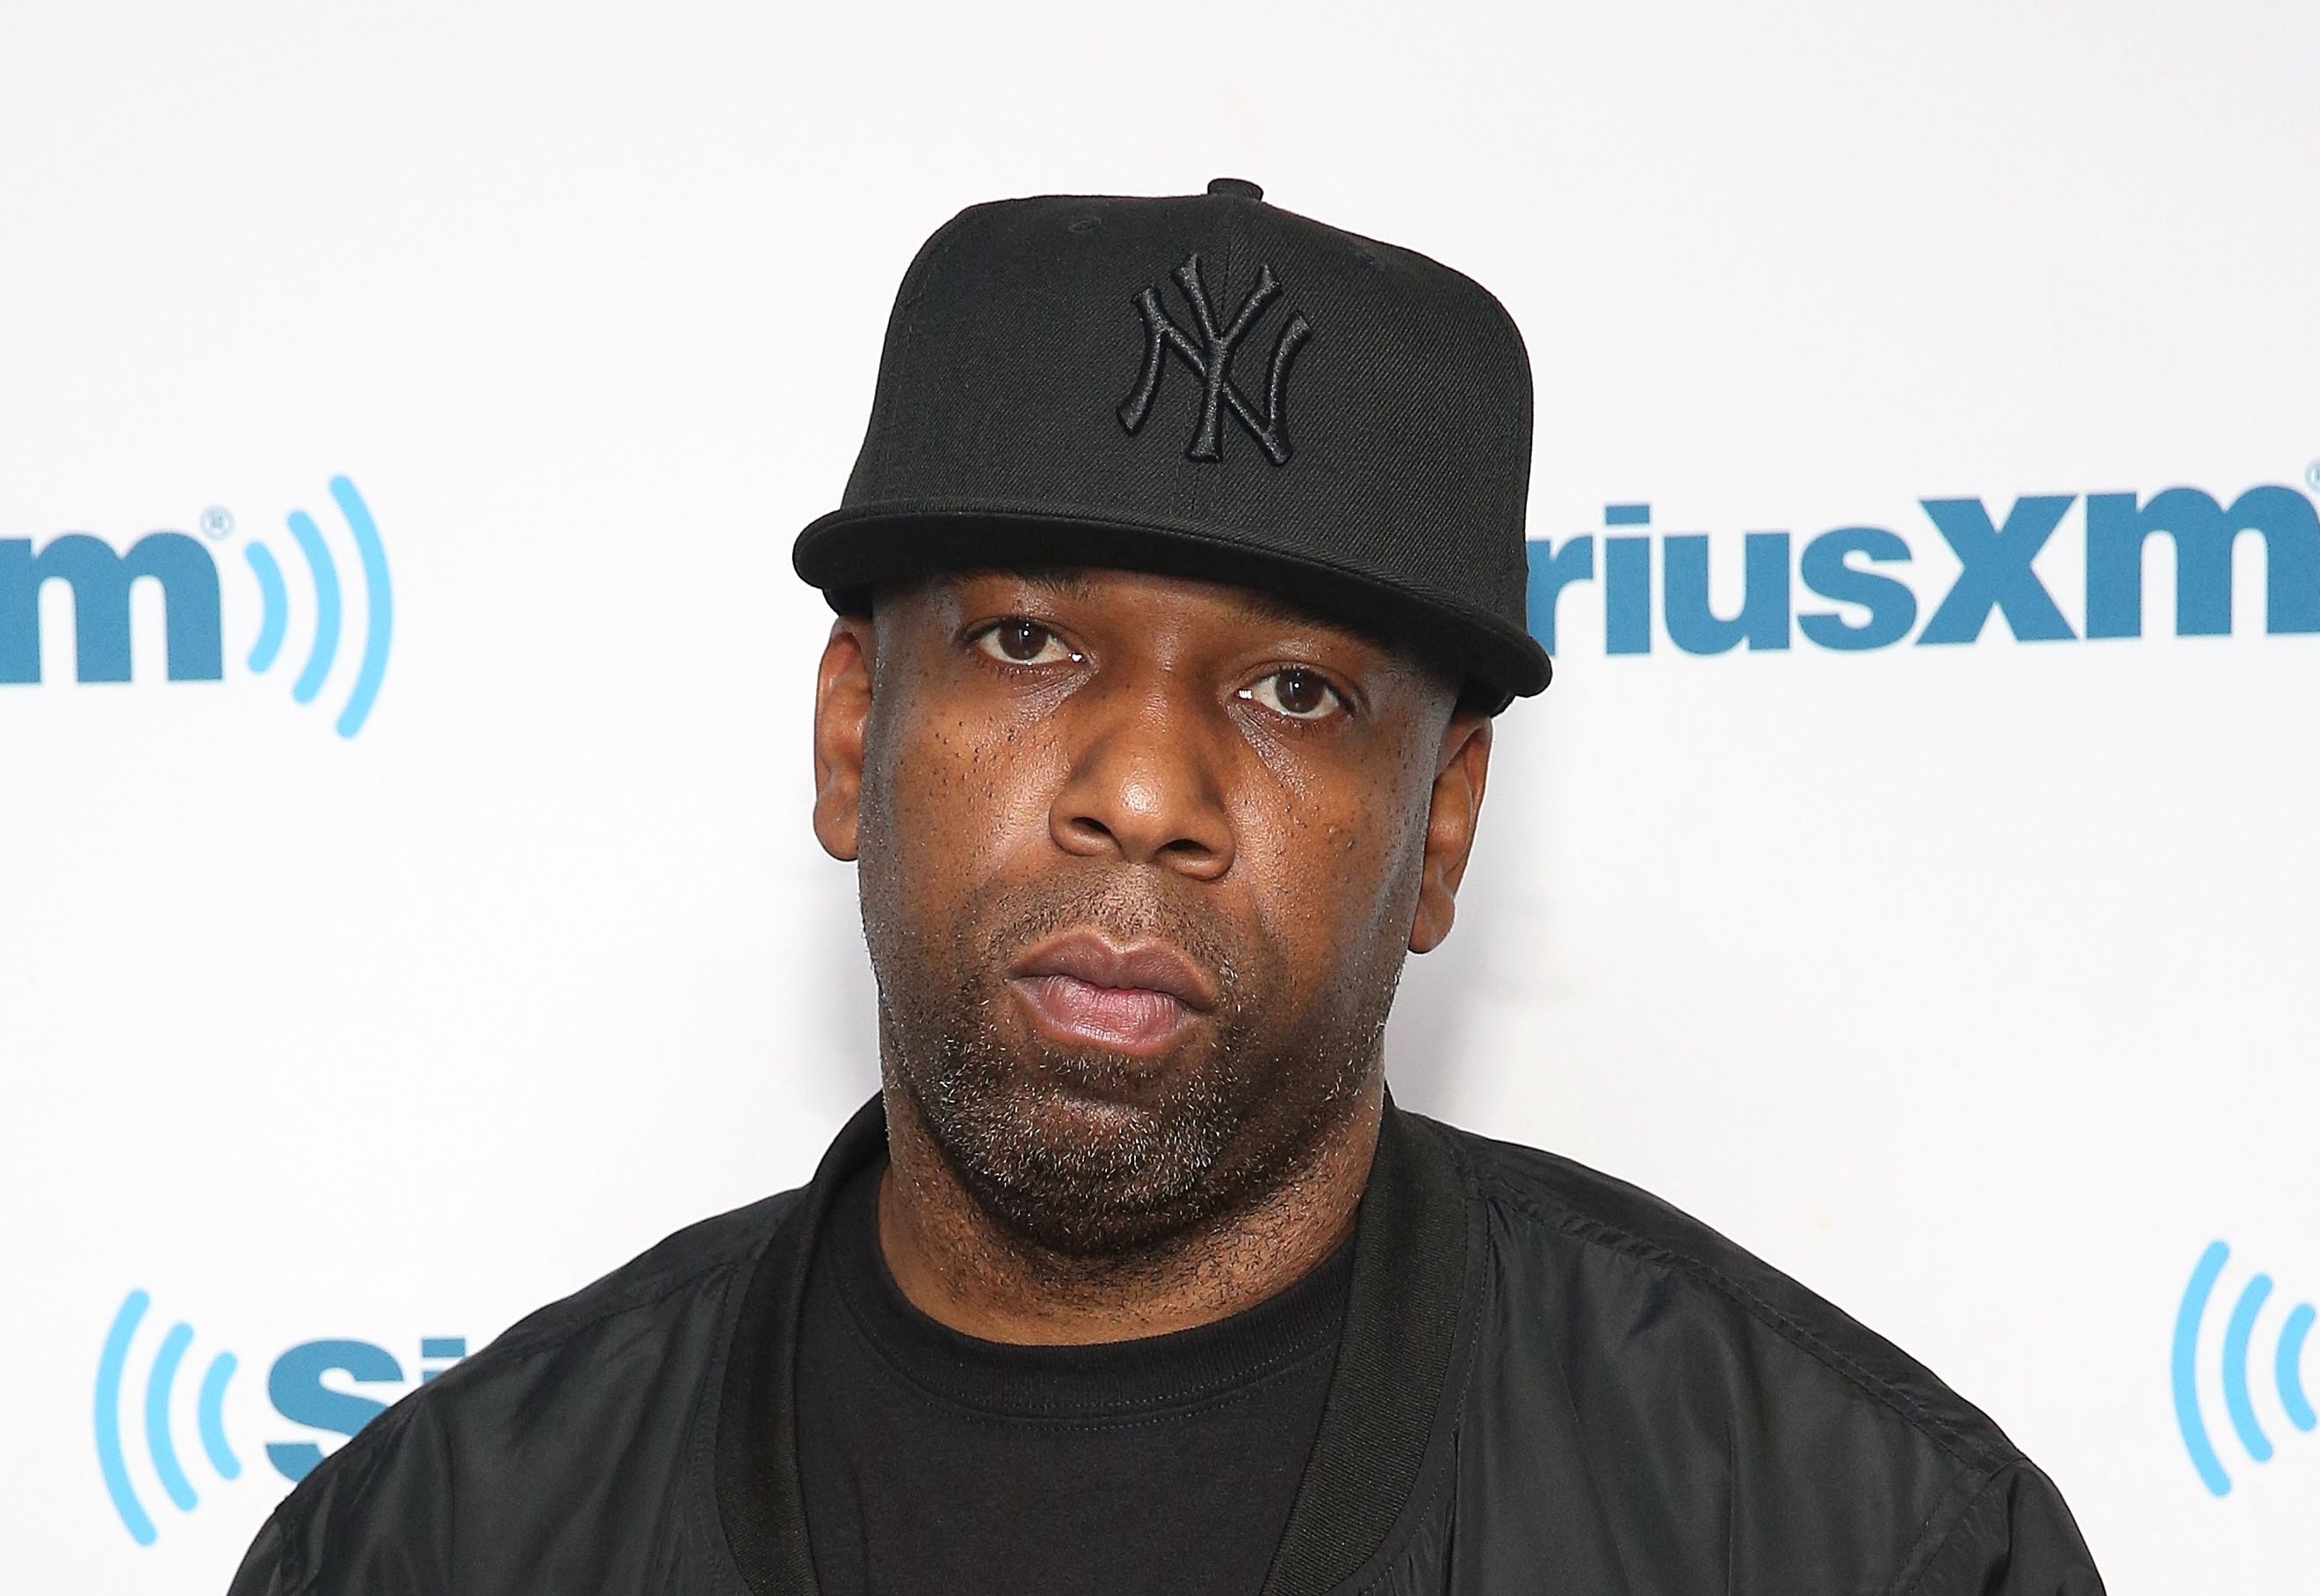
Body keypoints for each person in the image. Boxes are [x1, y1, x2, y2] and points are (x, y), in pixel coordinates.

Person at [229, 179, 2104, 1596]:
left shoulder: (1850, 1542)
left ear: (1440, 826)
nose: (1143, 793)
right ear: (849, 731)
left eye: (1297, 692)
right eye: (1032, 641)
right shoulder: (436, 1548)